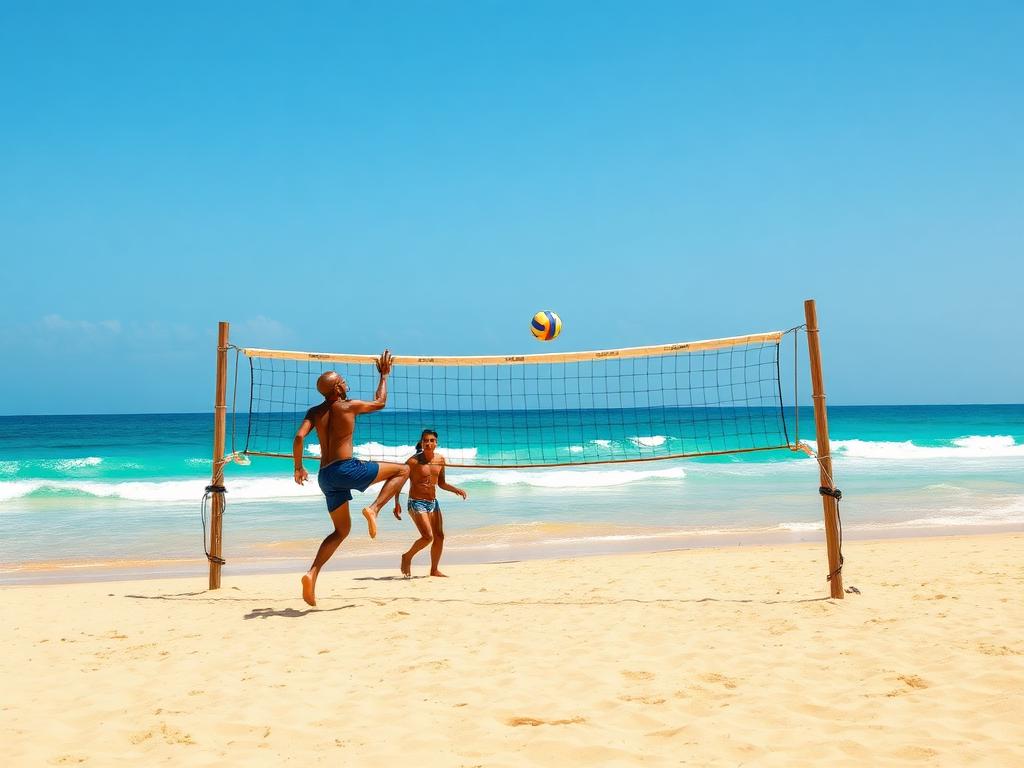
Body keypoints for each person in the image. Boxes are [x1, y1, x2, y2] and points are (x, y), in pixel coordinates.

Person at [293, 350, 410, 606]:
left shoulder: (314, 412)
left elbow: (300, 437)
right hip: (346, 468)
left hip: (326, 476)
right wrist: (384, 376)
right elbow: (380, 402)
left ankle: (312, 575)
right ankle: (374, 509)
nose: (346, 383)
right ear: (337, 388)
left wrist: (299, 468)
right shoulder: (348, 406)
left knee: (341, 530)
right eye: (343, 381)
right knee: (403, 469)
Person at [393, 429, 467, 578]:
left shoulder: (440, 460)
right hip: (416, 502)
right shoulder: (413, 461)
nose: (428, 443)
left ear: (436, 443)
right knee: (427, 536)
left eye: (431, 440)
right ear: (421, 443)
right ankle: (407, 557)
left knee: (439, 536)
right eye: (425, 440)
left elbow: (441, 483)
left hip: (433, 503)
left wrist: (455, 490)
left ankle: (434, 570)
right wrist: (397, 502)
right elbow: (398, 483)